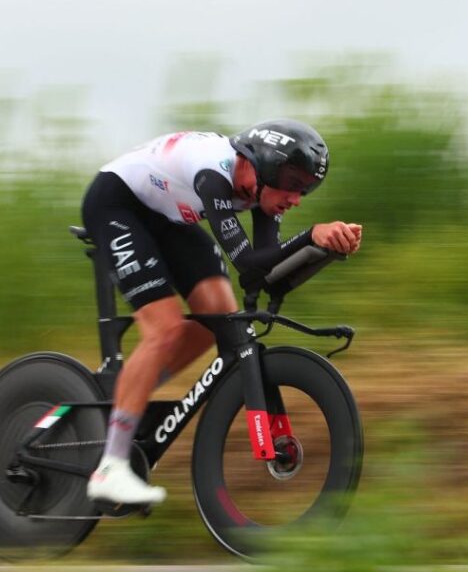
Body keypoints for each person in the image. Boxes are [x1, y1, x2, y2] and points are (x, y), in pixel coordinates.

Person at [80, 119, 362, 504]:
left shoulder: (264, 193)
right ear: (263, 166)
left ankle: (133, 391)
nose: (297, 198)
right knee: (164, 330)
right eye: (294, 183)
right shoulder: (213, 173)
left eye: (307, 189)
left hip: (167, 220)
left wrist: (325, 250)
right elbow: (247, 261)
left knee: (222, 320)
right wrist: (311, 234)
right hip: (117, 205)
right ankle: (110, 465)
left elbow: (263, 273)